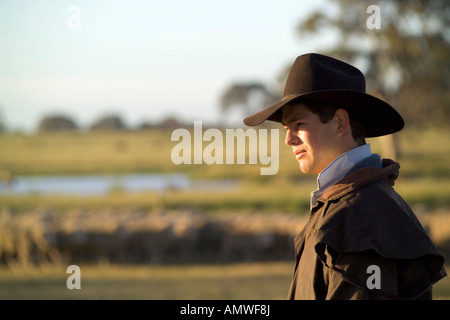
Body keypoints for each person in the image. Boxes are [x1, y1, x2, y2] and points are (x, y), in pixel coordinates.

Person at [243, 53, 447, 300]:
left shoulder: (359, 218)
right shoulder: (355, 204)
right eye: (287, 129)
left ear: (340, 122)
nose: (289, 139)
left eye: (298, 124)